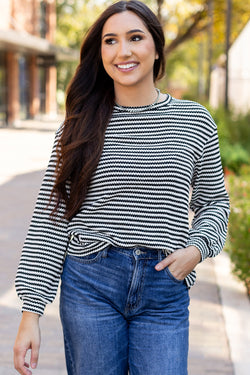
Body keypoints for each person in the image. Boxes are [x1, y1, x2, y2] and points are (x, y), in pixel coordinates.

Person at [13, 1, 230, 374]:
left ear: (156, 47)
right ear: (100, 53)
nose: (123, 51)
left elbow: (214, 203)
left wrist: (197, 248)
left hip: (165, 285)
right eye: (110, 41)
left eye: (135, 38)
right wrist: (31, 313)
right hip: (90, 283)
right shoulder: (78, 126)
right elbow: (52, 218)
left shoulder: (193, 120)